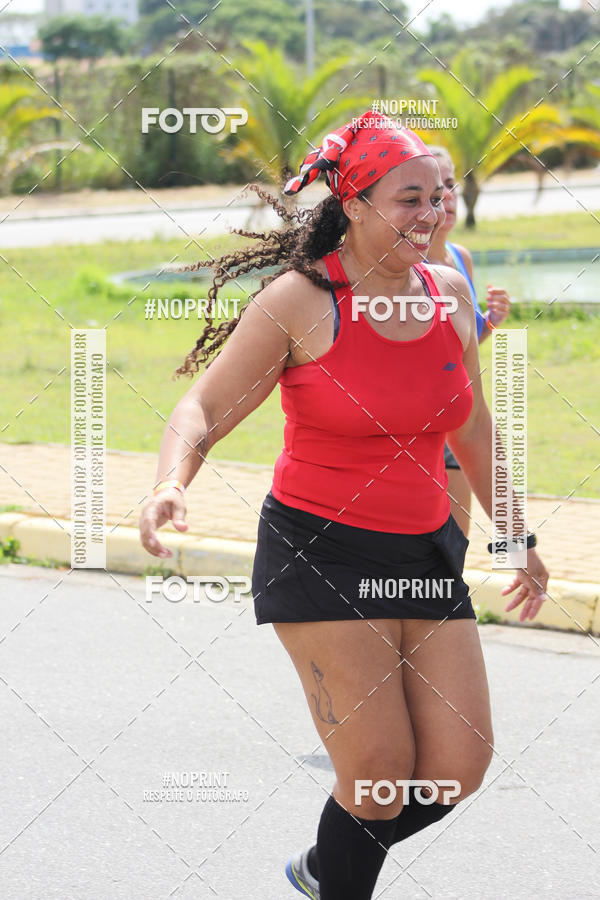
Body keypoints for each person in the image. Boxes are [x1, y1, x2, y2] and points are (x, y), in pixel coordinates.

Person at [138, 110, 549, 900]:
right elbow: (202, 411)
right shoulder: (300, 301)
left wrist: (514, 537)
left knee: (458, 769)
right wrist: (170, 483)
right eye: (408, 199)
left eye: (439, 196)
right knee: (378, 773)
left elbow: (472, 427)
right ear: (354, 205)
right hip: (320, 552)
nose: (430, 214)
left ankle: (327, 868)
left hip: (425, 551)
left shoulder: (450, 293)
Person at [426, 146, 512, 538]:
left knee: (454, 547)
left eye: (450, 183)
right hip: (420, 425)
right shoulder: (405, 266)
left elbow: (461, 347)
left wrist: (489, 323)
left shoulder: (461, 257)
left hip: (462, 416)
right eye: (433, 186)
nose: (446, 195)